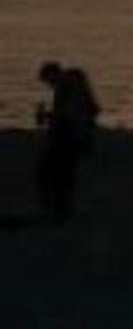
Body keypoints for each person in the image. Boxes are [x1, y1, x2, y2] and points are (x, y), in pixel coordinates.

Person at [35, 63, 100, 221]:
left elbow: (69, 114)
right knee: (62, 174)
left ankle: (59, 209)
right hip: (72, 136)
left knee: (51, 172)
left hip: (67, 137)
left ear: (53, 73)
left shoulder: (67, 85)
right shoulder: (72, 85)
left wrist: (48, 116)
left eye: (47, 80)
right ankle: (62, 208)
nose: (49, 84)